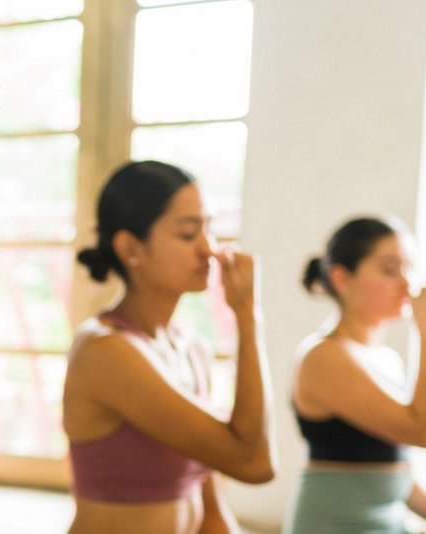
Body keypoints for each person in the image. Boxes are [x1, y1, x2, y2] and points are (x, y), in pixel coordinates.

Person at [63, 161, 276, 533]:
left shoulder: (190, 348)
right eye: (188, 233)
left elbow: (212, 511)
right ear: (130, 247)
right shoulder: (104, 352)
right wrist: (247, 316)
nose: (208, 250)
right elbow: (253, 462)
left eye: (208, 229)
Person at [286, 217, 426, 533]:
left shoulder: (385, 358)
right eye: (390, 270)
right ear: (342, 278)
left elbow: (397, 470)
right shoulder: (324, 355)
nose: (407, 284)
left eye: (409, 268)